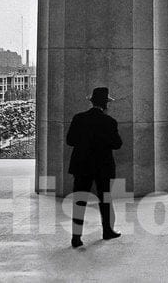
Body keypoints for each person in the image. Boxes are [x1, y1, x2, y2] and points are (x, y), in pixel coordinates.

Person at [66, 86, 123, 248]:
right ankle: (107, 231)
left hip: (81, 165)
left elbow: (70, 141)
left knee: (79, 201)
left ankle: (76, 237)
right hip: (102, 166)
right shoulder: (109, 121)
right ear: (106, 104)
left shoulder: (78, 118)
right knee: (105, 199)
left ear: (92, 102)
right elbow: (117, 144)